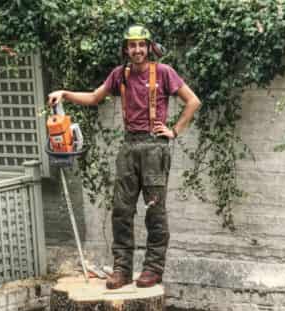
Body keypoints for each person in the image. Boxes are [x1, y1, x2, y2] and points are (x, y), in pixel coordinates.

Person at [48, 25, 201, 289]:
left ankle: (153, 269)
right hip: (129, 147)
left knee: (155, 211)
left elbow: (193, 101)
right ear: (126, 49)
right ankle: (121, 269)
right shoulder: (120, 75)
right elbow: (95, 97)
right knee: (121, 211)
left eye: (142, 45)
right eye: (132, 45)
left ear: (149, 47)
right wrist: (65, 93)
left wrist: (174, 130)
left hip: (155, 147)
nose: (137, 50)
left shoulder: (164, 73)